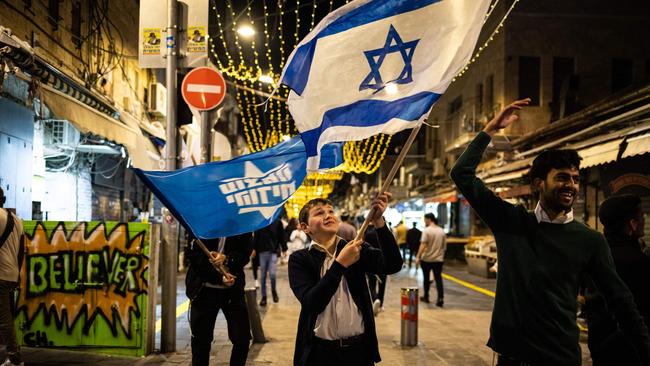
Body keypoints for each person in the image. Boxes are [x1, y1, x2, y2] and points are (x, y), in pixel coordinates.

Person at [450, 98, 650, 366]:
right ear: (538, 184)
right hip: (511, 357)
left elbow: (620, 300)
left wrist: (644, 352)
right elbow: (461, 174)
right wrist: (491, 129)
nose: (571, 185)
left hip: (558, 358)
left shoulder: (590, 240)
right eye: (562, 177)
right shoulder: (511, 221)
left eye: (576, 179)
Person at [288, 194, 402, 366]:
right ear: (305, 227)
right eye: (319, 213)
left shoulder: (355, 248)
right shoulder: (300, 259)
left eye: (331, 211)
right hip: (320, 353)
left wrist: (379, 222)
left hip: (358, 351)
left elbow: (392, 265)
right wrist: (340, 263)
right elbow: (312, 303)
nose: (328, 215)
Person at [585, 194, 650, 365]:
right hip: (629, 351)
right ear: (632, 224)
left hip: (600, 346)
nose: (645, 219)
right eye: (642, 216)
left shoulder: (595, 255)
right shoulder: (637, 262)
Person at [185, 234, 253, 366]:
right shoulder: (202, 223)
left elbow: (245, 254)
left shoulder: (240, 223)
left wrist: (227, 259)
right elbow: (195, 258)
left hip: (233, 290)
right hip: (204, 289)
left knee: (242, 338)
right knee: (201, 341)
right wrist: (219, 278)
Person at [0, 188, 24, 366]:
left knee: (4, 318)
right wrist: (17, 275)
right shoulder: (17, 220)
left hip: (0, 274)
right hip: (11, 274)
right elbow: (21, 251)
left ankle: (15, 358)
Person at [253, 218, 287, 306]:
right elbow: (256, 235)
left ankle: (273, 291)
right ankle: (264, 297)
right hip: (262, 251)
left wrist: (284, 248)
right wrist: (253, 248)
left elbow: (281, 235)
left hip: (273, 251)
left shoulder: (277, 221)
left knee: (272, 274)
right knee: (263, 275)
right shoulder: (260, 220)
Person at [415, 213, 446, 307]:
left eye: (425, 220)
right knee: (438, 279)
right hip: (438, 260)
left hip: (427, 259)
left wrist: (418, 256)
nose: (424, 222)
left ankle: (426, 297)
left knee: (426, 279)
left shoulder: (427, 231)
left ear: (429, 219)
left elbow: (423, 244)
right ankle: (440, 298)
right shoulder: (441, 231)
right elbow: (444, 247)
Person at [365, 223, 387, 316]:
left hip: (370, 261)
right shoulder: (383, 233)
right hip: (383, 260)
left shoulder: (367, 232)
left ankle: (375, 299)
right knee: (382, 283)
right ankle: (381, 304)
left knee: (371, 283)